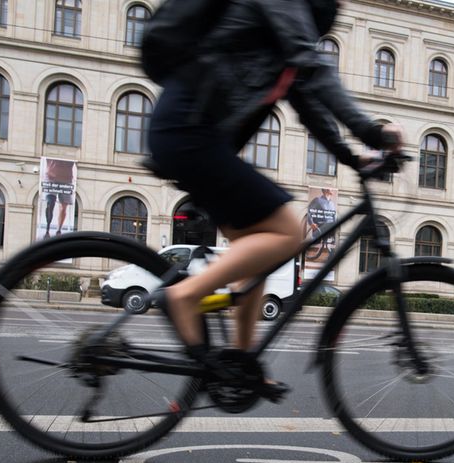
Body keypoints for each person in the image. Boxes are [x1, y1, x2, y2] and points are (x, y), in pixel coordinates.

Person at [146, 0, 404, 400]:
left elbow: (312, 111)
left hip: (194, 137)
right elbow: (315, 69)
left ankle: (243, 363)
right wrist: (372, 132)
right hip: (189, 132)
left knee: (260, 252)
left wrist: (354, 158)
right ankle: (184, 296)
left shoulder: (282, 45)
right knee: (287, 232)